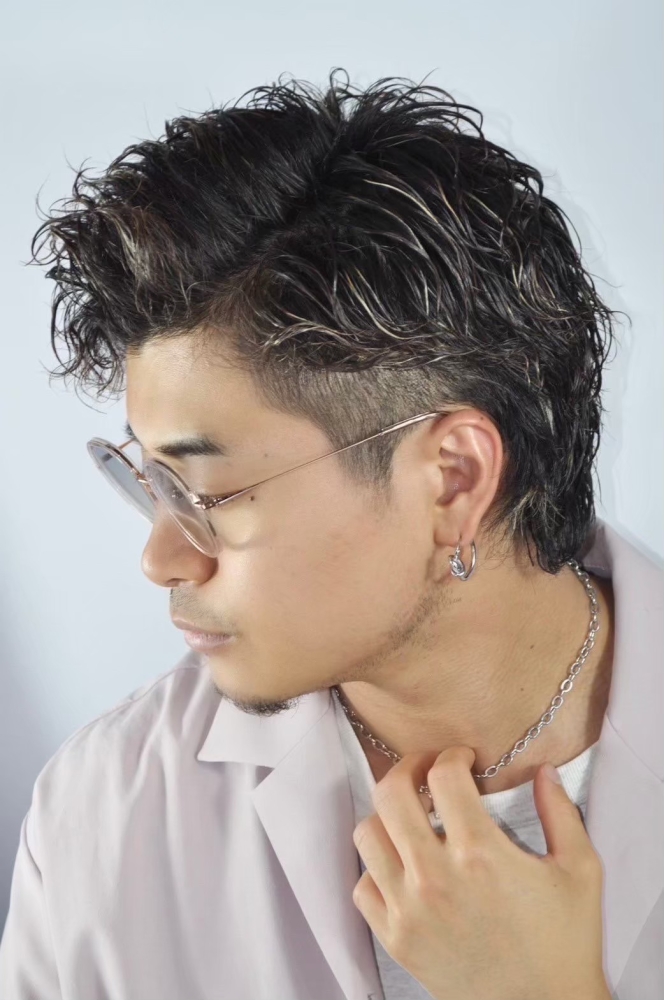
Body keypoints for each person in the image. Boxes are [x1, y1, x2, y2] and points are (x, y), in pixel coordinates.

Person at [1, 70, 661, 1000]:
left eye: (206, 492)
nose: (160, 559)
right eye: (148, 482)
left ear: (453, 479)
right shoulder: (106, 814)